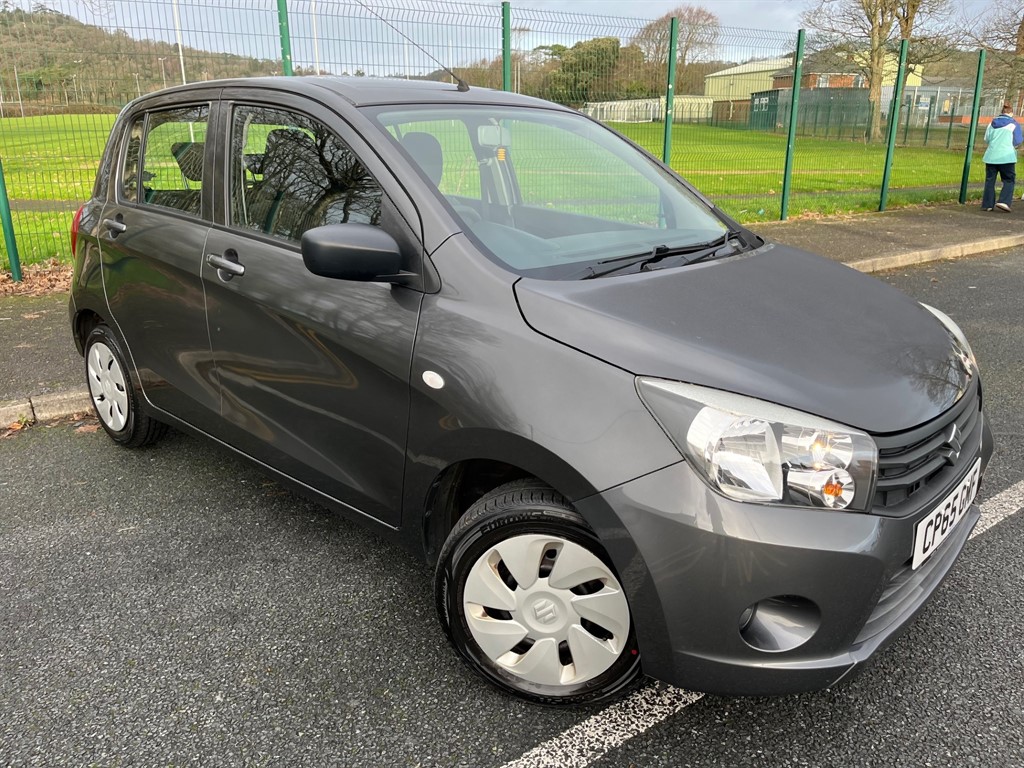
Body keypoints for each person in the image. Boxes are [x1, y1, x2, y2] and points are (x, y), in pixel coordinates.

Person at [982, 103, 1023, 212]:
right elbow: (1018, 141)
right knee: (1009, 180)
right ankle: (1004, 201)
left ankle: (987, 205)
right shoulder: (1014, 124)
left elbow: (986, 138)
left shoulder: (992, 123)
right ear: (1011, 113)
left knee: (990, 181)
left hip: (991, 156)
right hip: (1007, 157)